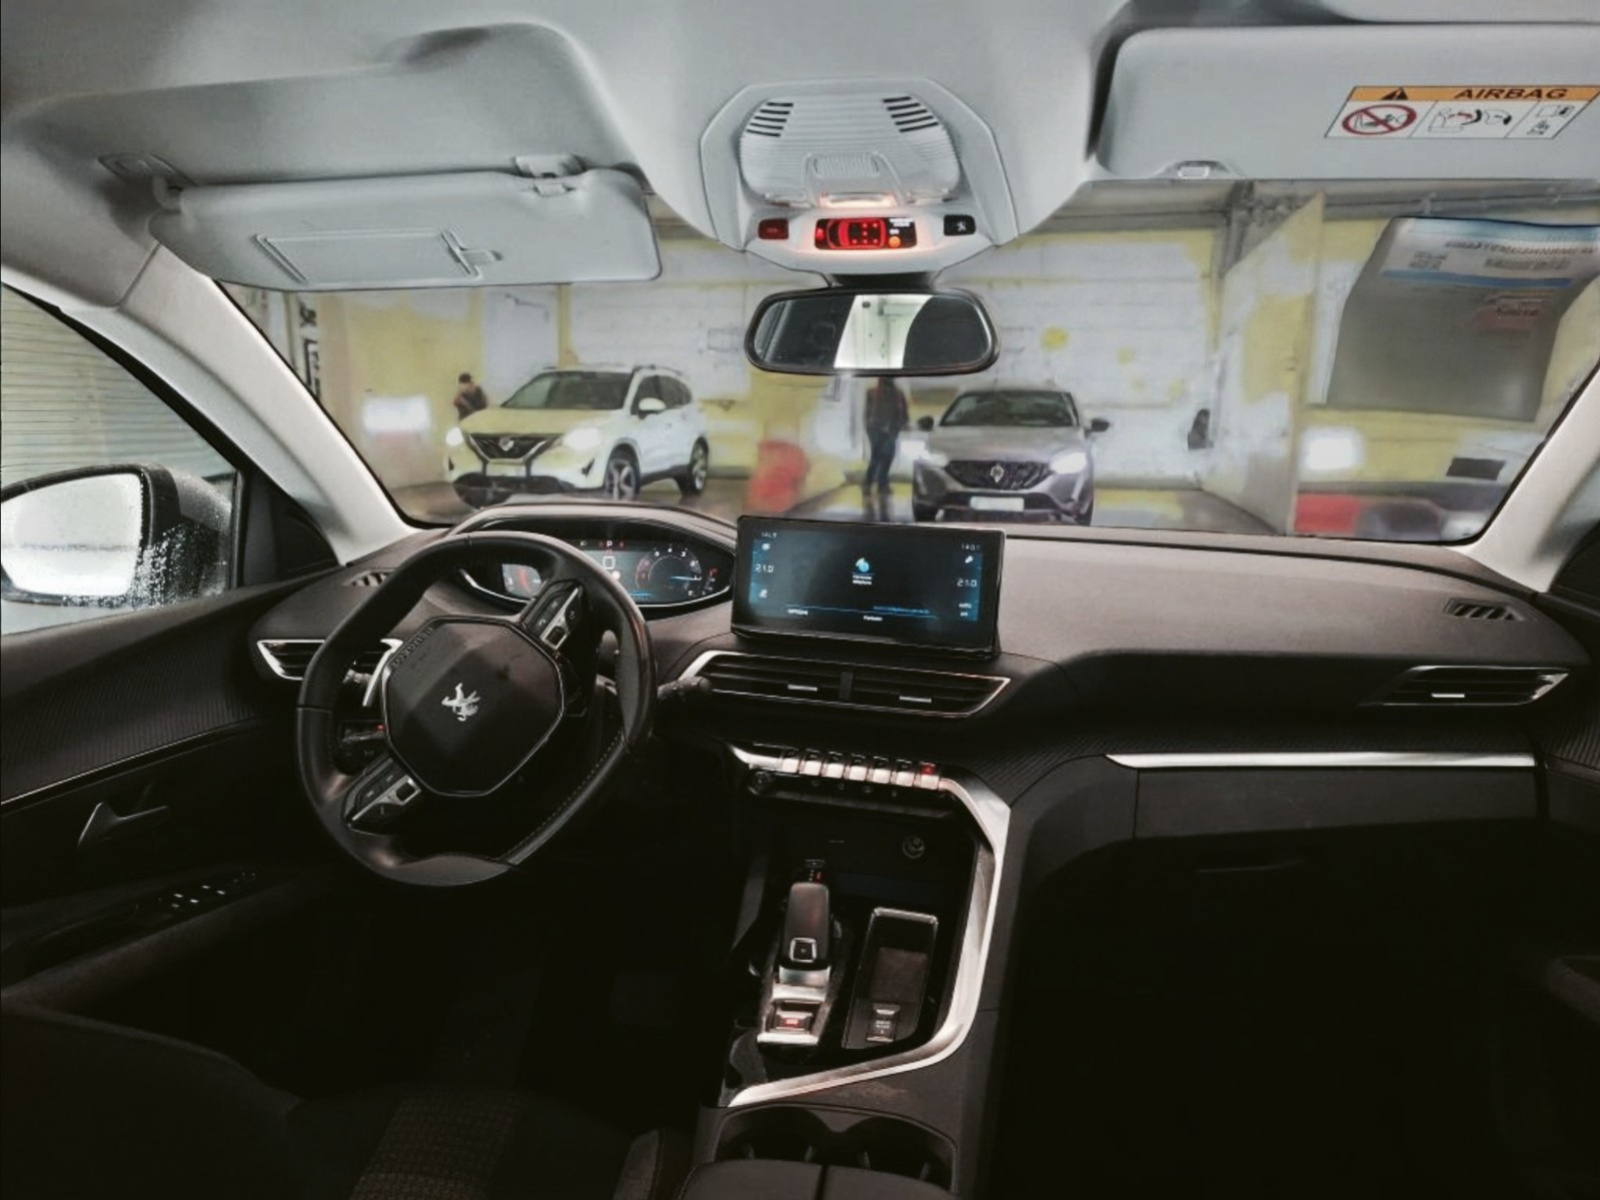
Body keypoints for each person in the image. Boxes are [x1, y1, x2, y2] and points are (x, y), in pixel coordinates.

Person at [862, 376, 908, 497]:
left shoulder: (896, 394)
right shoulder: (873, 393)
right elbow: (867, 413)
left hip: (887, 429)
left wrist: (900, 424)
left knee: (885, 457)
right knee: (879, 457)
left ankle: (876, 484)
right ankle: (874, 484)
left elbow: (903, 413)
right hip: (877, 429)